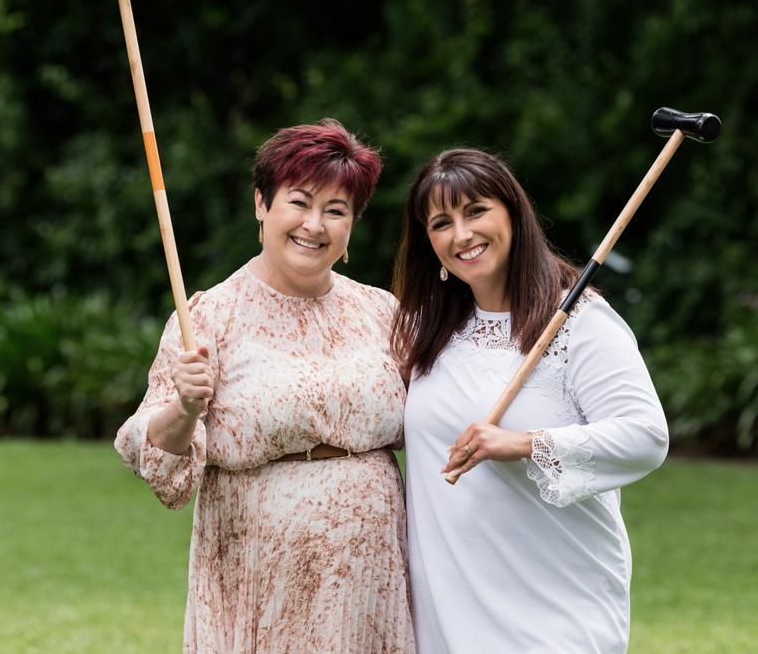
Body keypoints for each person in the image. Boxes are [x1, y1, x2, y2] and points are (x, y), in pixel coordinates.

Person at [115, 119, 415, 653]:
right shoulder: (209, 316)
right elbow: (157, 461)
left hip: (372, 583)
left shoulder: (381, 312)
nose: (314, 224)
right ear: (261, 204)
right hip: (261, 577)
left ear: (352, 226)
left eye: (336, 210)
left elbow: (440, 415)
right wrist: (184, 408)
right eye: (299, 202)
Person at [391, 148, 669, 653]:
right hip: (449, 611)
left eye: (476, 211)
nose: (462, 235)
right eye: (441, 223)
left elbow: (646, 437)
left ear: (513, 213)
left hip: (554, 609)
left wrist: (521, 443)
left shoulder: (580, 323)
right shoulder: (424, 329)